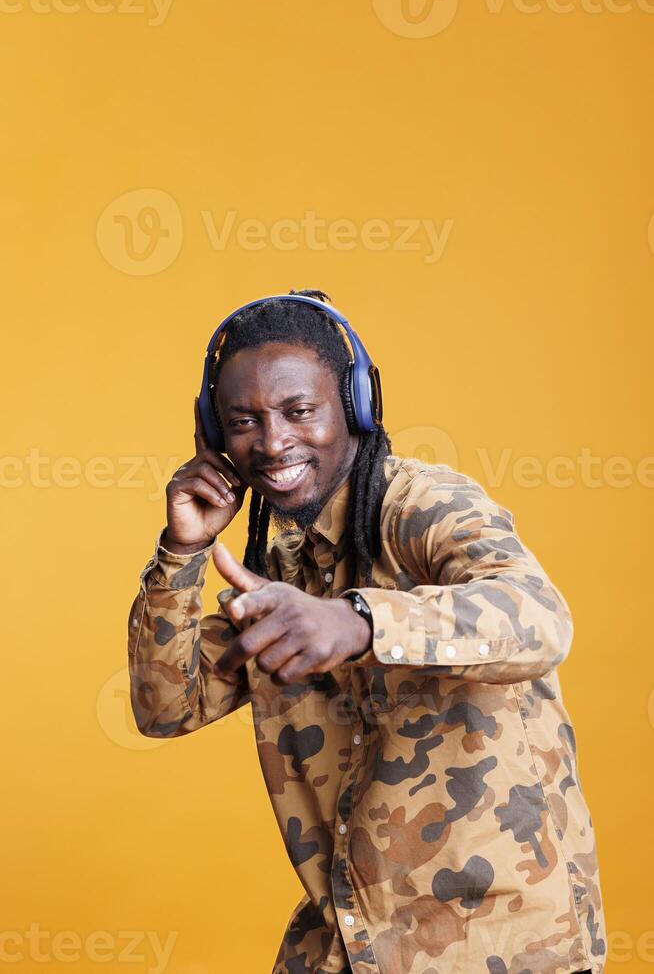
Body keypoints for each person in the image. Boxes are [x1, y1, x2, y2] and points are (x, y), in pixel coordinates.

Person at [127, 290, 606, 974]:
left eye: (299, 411)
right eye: (243, 421)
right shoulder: (282, 567)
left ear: (354, 407)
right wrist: (181, 552)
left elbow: (538, 616)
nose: (272, 442)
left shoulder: (425, 505)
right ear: (214, 435)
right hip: (351, 943)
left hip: (498, 950)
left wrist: (358, 620)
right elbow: (163, 707)